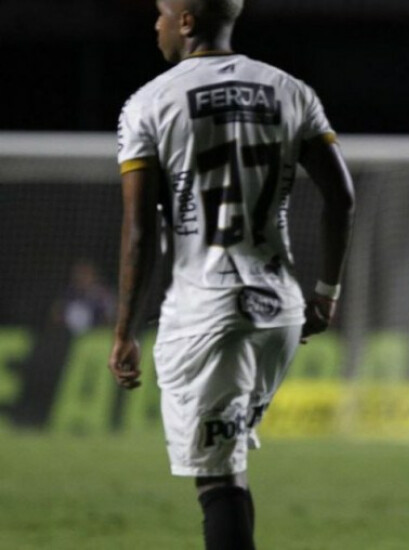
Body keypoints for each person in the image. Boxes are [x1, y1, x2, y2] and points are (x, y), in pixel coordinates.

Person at [108, 1, 355, 548]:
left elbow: (139, 232)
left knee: (218, 481)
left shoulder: (149, 103)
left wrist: (124, 331)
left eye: (162, 13)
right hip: (279, 312)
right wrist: (326, 292)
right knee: (227, 465)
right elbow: (342, 197)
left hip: (208, 311)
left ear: (188, 22)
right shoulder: (291, 91)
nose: (156, 24)